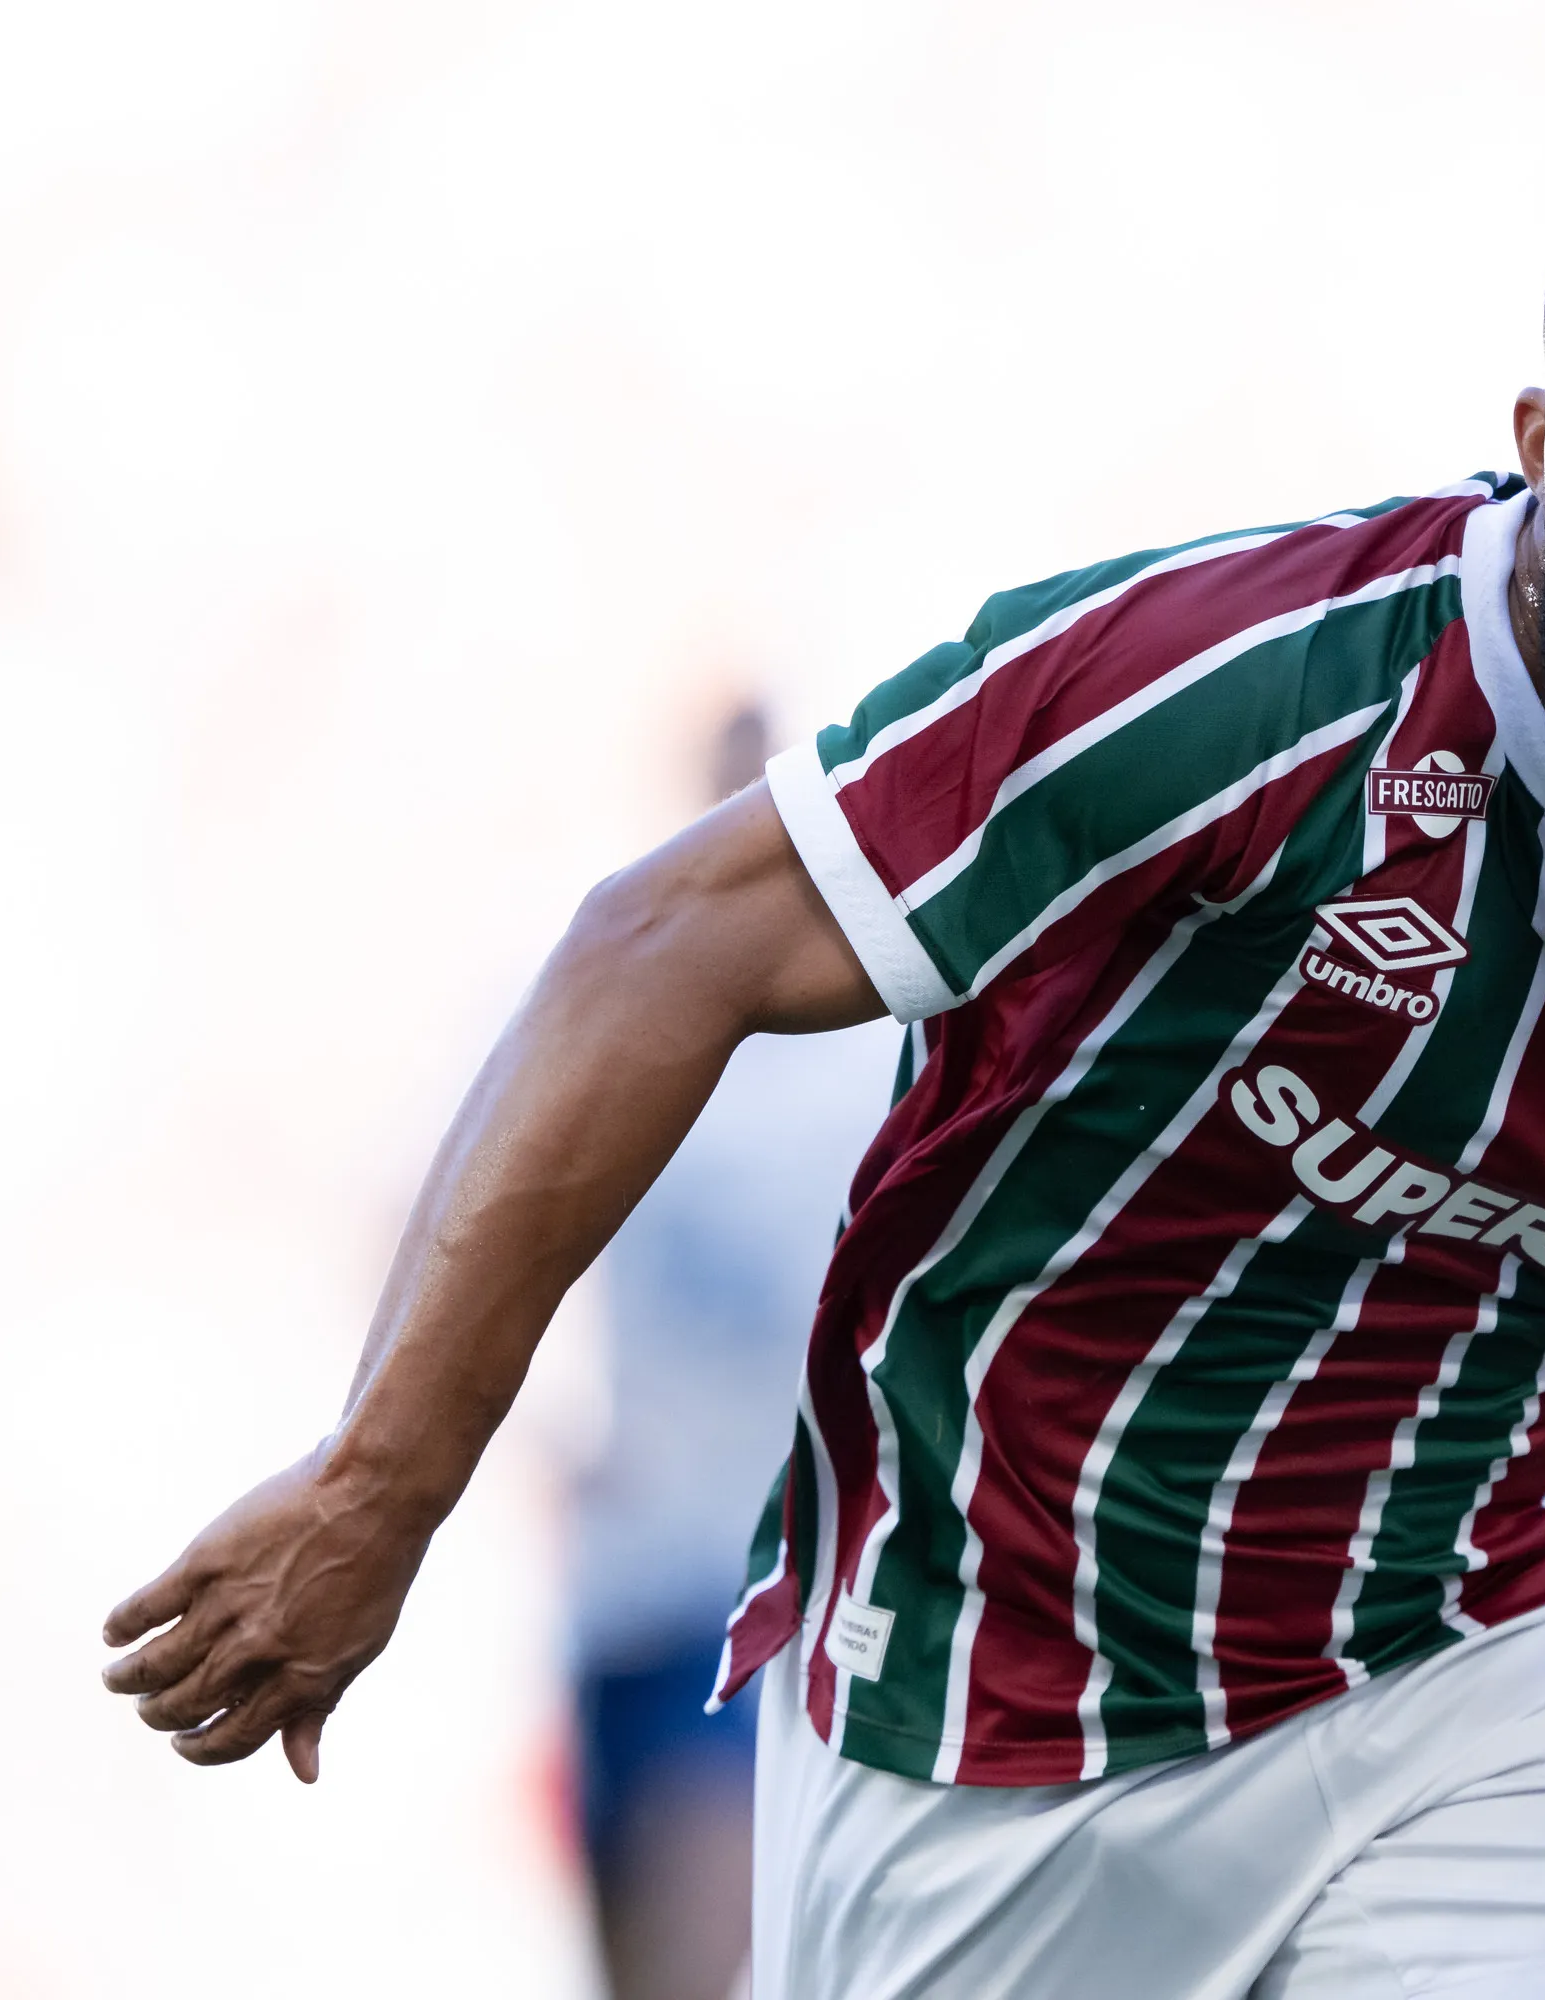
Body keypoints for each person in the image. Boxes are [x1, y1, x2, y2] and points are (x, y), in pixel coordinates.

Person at [102, 123, 1545, 2000]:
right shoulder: (1245, 686)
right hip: (995, 1689)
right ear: (1538, 439)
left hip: (1472, 1670)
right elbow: (657, 940)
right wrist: (382, 1486)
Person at [561, 701, 901, 2000]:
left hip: (782, 1594)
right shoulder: (603, 999)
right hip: (634, 1587)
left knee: (726, 1954)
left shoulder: (884, 1040)